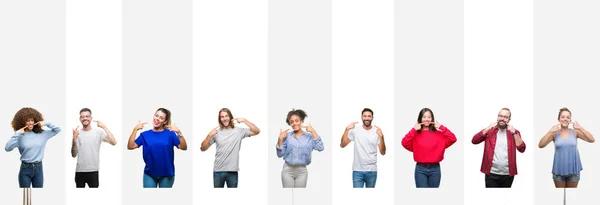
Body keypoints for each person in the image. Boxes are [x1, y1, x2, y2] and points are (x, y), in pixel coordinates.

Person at [127, 108, 187, 188]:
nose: (157, 119)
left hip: (167, 174)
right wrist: (135, 130)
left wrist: (178, 132)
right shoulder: (145, 135)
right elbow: (130, 146)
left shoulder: (170, 134)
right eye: (156, 115)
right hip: (150, 174)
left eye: (161, 118)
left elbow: (183, 147)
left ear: (165, 121)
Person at [200, 108, 261, 188]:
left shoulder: (239, 131)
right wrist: (209, 135)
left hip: (232, 171)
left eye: (226, 116)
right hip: (218, 171)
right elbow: (202, 148)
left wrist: (244, 120)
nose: (224, 119)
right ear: (220, 119)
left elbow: (257, 131)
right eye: (222, 117)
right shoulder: (216, 132)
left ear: (230, 117)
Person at [538, 107, 594, 188]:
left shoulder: (575, 132)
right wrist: (550, 131)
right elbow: (541, 145)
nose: (565, 119)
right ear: (559, 119)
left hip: (574, 169)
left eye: (568, 117)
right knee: (560, 194)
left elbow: (591, 139)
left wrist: (580, 128)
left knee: (571, 194)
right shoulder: (554, 133)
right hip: (559, 169)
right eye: (563, 117)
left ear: (570, 120)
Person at [5, 107, 61, 188]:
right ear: (22, 122)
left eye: (32, 120)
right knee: (25, 193)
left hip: (39, 168)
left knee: (38, 194)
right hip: (25, 169)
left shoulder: (42, 134)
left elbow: (57, 130)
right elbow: (7, 148)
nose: (30, 123)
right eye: (27, 121)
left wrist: (46, 123)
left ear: (35, 121)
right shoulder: (19, 136)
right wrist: (17, 133)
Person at [402, 108, 456, 188]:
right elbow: (404, 142)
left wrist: (441, 127)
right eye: (424, 117)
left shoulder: (439, 134)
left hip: (435, 169)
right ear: (420, 118)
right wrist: (413, 129)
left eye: (429, 117)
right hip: (420, 169)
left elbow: (453, 138)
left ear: (432, 118)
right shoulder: (415, 134)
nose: (426, 119)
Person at [472, 108, 525, 188]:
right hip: (491, 173)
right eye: (500, 116)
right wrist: (487, 128)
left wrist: (514, 133)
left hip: (508, 174)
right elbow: (474, 141)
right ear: (497, 117)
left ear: (509, 119)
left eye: (505, 117)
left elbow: (522, 149)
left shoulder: (514, 132)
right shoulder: (490, 130)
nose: (502, 118)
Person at [276, 109, 324, 188]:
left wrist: (313, 131)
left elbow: (320, 147)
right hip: (287, 170)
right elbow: (279, 154)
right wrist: (280, 139)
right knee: (287, 195)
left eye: (296, 120)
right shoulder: (286, 136)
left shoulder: (309, 137)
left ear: (301, 121)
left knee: (300, 196)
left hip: (302, 171)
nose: (294, 123)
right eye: (292, 122)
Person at [71, 108, 117, 188]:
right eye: (82, 116)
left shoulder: (99, 132)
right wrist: (74, 139)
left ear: (91, 118)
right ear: (80, 119)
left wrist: (104, 127)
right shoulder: (77, 133)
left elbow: (114, 142)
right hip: (80, 171)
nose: (85, 118)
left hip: (93, 171)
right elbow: (74, 154)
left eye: (87, 116)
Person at [340, 108, 386, 188]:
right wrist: (347, 129)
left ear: (372, 118)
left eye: (369, 116)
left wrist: (381, 137)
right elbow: (342, 145)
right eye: (365, 116)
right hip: (357, 171)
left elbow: (382, 152)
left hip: (372, 171)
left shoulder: (377, 132)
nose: (367, 118)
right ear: (361, 117)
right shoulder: (355, 130)